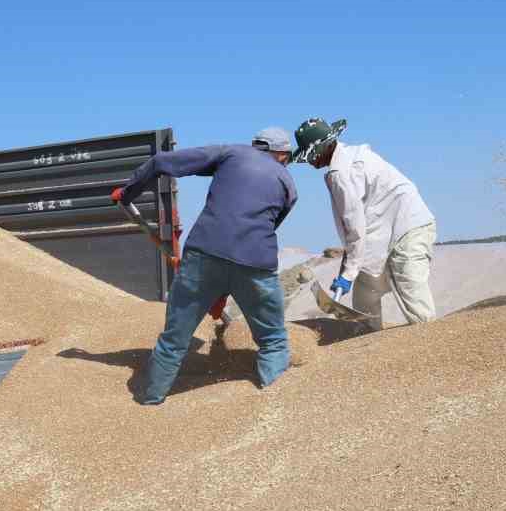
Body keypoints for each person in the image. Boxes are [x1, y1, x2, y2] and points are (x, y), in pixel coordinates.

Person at [113, 127, 298, 405]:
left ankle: (149, 402)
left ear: (256, 146)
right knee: (273, 341)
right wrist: (227, 287)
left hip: (204, 254)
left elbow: (162, 161)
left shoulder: (230, 152)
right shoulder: (288, 183)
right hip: (256, 262)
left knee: (173, 341)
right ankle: (274, 409)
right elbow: (261, 231)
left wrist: (128, 192)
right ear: (282, 154)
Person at [292, 117, 436, 332]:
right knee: (365, 291)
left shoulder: (342, 173)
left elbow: (355, 227)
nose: (310, 161)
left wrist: (347, 274)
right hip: (384, 232)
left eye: (311, 155)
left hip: (408, 228)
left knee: (410, 285)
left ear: (324, 147)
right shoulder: (349, 157)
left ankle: (430, 338)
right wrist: (349, 269)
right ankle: (369, 342)